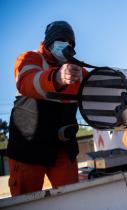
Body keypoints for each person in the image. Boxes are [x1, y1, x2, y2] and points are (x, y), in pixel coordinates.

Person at [7, 21, 88, 196]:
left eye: (71, 43)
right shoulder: (29, 58)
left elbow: (100, 88)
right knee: (25, 203)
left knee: (72, 200)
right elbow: (26, 82)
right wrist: (56, 78)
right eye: (61, 39)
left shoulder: (78, 71)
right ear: (48, 42)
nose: (67, 44)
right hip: (28, 148)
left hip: (63, 150)